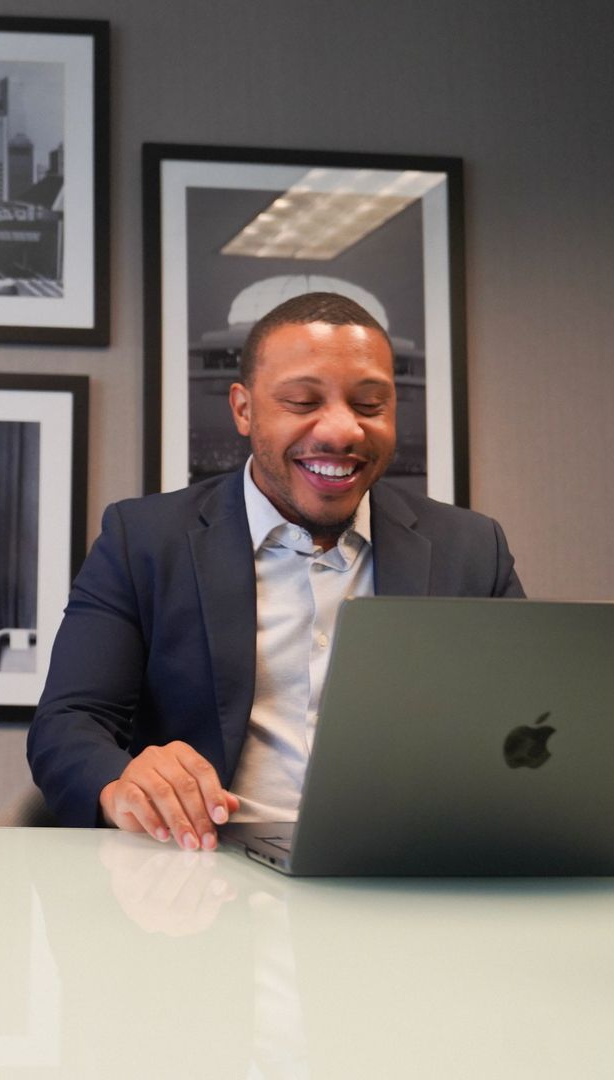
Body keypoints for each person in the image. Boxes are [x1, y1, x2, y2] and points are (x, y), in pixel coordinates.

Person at [27, 292, 524, 846]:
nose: (342, 431)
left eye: (369, 405)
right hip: (200, 879)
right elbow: (68, 725)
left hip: (408, 877)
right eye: (303, 401)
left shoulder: (473, 549)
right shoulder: (142, 540)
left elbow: (529, 726)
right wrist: (123, 781)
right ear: (243, 408)